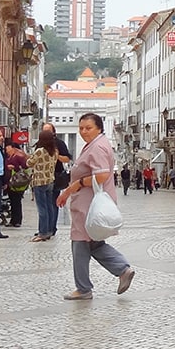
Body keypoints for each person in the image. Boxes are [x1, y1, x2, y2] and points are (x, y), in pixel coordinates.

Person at [56, 113, 135, 301]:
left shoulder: (98, 147)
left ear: (99, 128)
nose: (83, 131)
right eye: (81, 128)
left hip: (88, 203)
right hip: (89, 202)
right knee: (93, 243)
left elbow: (100, 176)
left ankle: (83, 288)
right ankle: (123, 269)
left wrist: (72, 188)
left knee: (80, 243)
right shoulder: (96, 144)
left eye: (88, 128)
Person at [27, 129, 59, 242]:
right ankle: (49, 230)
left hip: (39, 182)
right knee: (49, 207)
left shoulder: (40, 151)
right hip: (50, 180)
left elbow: (29, 163)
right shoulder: (55, 151)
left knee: (42, 209)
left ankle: (42, 233)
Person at [41, 123, 72, 238]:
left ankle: (51, 228)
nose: (46, 133)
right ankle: (44, 228)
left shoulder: (59, 143)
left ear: (54, 132)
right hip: (42, 177)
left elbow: (67, 158)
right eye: (44, 130)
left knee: (53, 203)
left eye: (48, 130)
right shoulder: (40, 144)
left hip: (56, 175)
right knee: (43, 204)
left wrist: (56, 156)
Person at [4, 140, 28, 228]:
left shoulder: (18, 157)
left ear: (13, 148)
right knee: (13, 202)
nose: (7, 150)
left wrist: (15, 167)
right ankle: (13, 220)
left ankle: (18, 220)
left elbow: (25, 167)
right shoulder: (8, 157)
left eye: (8, 148)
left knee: (17, 201)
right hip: (10, 183)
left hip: (17, 182)